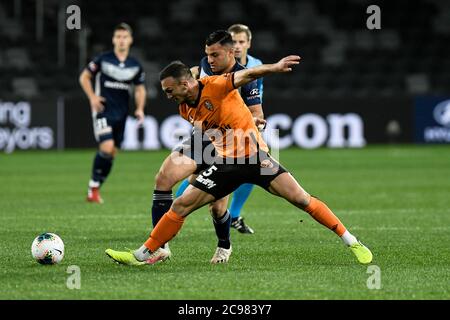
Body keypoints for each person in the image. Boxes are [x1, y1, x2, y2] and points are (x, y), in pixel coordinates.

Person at [105, 56, 373, 266]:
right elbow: (214, 131)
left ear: (185, 84)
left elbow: (249, 74)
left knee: (302, 199)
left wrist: (276, 67)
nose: (167, 95)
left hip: (257, 158)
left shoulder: (217, 85)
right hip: (228, 164)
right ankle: (143, 253)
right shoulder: (185, 108)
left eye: (169, 90)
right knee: (182, 203)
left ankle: (352, 241)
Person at [148, 30, 263, 264]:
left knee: (217, 208)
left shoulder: (245, 77)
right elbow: (190, 79)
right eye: (208, 55)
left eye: (215, 55)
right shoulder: (203, 66)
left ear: (230, 52)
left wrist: (256, 122)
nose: (210, 59)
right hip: (201, 138)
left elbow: (256, 112)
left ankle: (224, 245)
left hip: (228, 146)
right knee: (163, 178)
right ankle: (160, 247)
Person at [175, 27, 264, 234]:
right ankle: (170, 217)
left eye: (243, 42)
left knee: (251, 171)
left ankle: (231, 219)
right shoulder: (207, 64)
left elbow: (256, 110)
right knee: (192, 176)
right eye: (236, 42)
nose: (239, 45)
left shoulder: (252, 70)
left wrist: (257, 120)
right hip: (208, 132)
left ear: (247, 44)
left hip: (234, 134)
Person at [79, 23, 146, 203]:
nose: (121, 40)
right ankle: (93, 188)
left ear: (130, 40)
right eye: (118, 36)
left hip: (121, 114)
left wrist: (139, 108)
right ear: (113, 39)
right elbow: (84, 77)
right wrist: (93, 97)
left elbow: (140, 89)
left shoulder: (135, 65)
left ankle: (95, 187)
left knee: (112, 153)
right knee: (107, 147)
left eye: (125, 37)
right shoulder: (103, 59)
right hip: (103, 111)